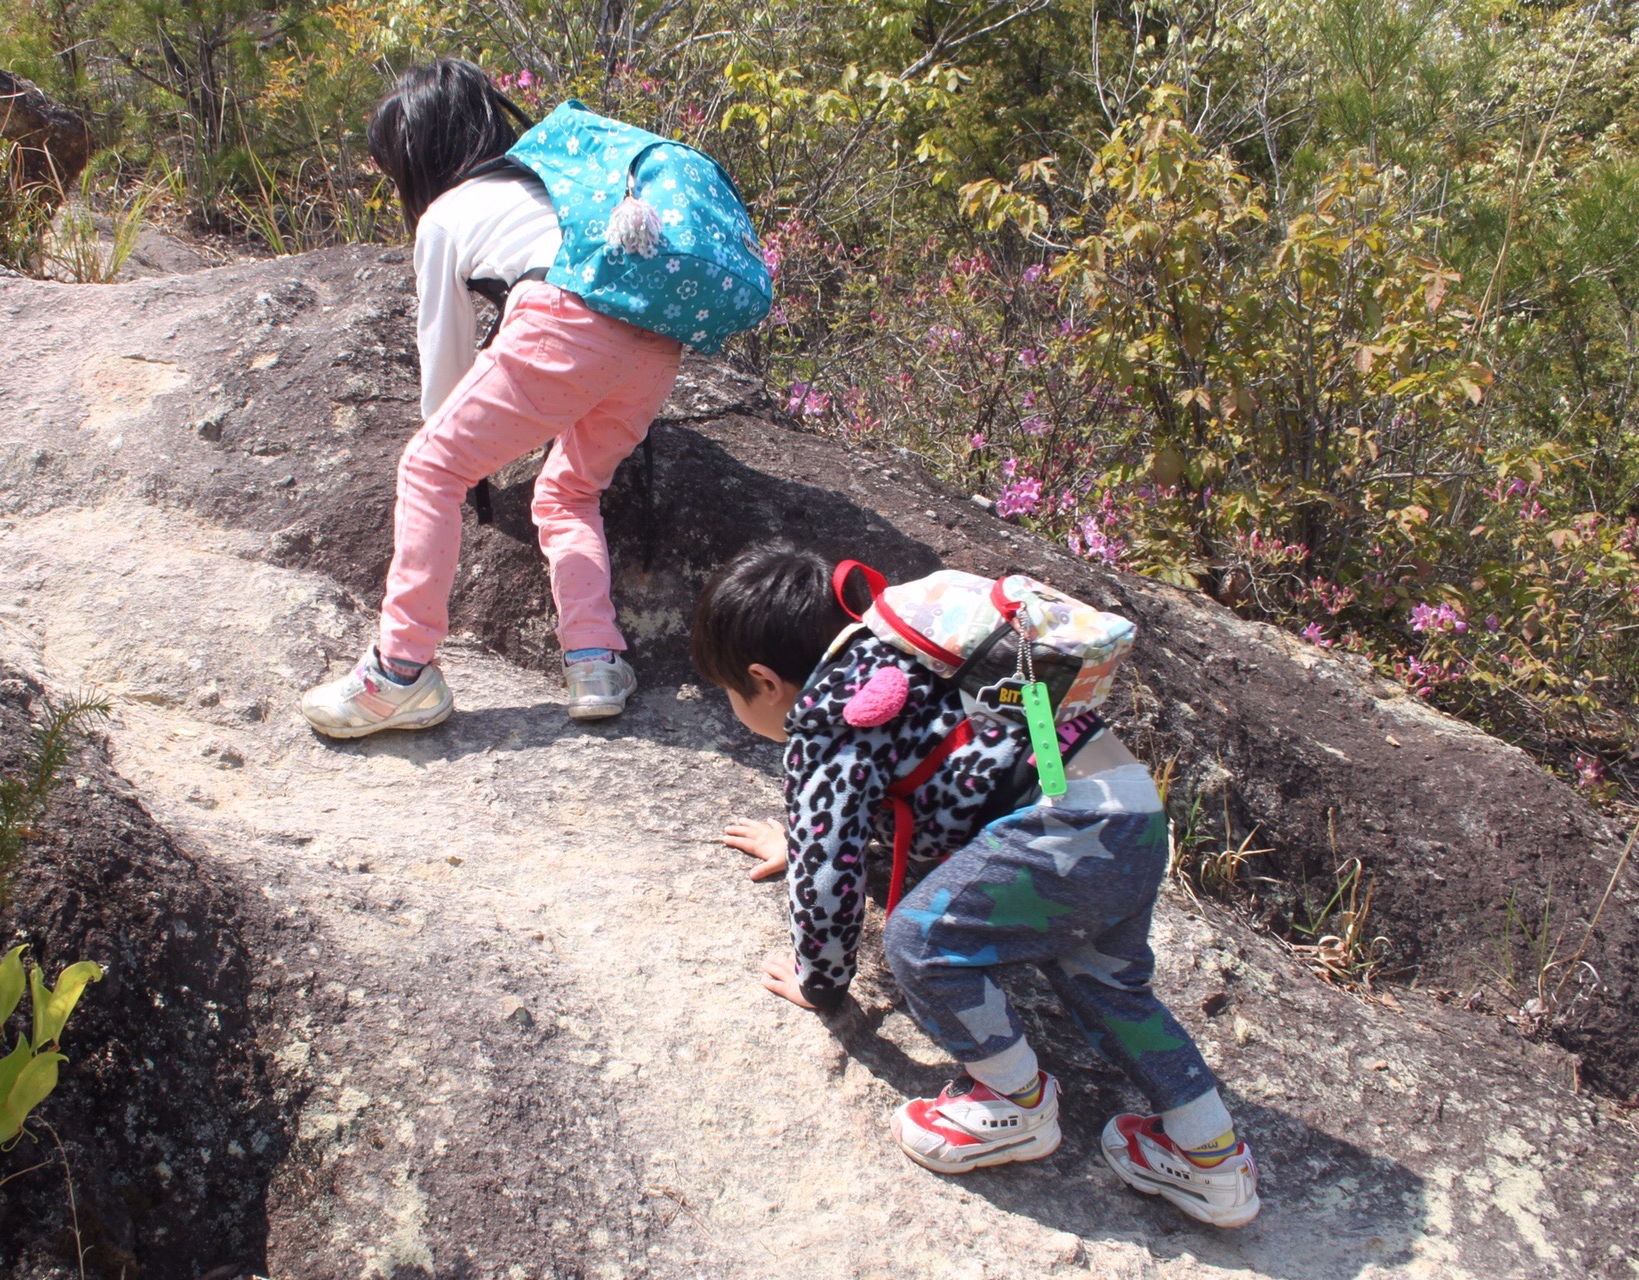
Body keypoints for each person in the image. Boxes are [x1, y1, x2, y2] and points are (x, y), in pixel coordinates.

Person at [695, 543, 1260, 1228]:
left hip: (1065, 830)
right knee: (1107, 985)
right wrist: (802, 839)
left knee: (919, 940)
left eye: (728, 692)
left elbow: (828, 866)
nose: (733, 706)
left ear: (765, 681)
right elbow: (913, 784)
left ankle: (1014, 1103)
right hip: (1128, 812)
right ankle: (1211, 1159)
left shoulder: (822, 717)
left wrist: (821, 981)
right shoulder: (911, 649)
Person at [300, 58, 682, 737]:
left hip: (564, 322)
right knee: (569, 494)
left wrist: (452, 442)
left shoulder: (446, 214)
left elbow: (444, 364)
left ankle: (400, 673)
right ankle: (594, 663)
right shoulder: (557, 183)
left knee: (428, 467)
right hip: (655, 341)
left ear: (416, 157)